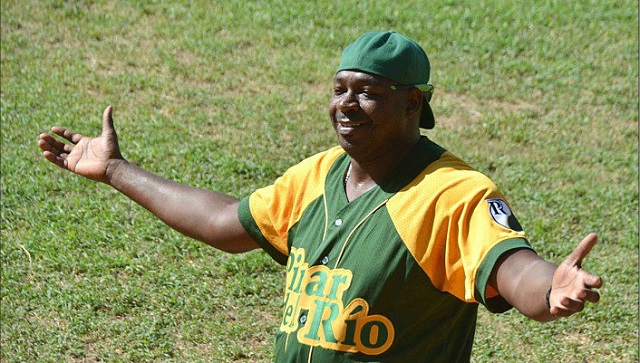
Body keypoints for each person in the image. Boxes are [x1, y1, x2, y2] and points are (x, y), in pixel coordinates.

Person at [38, 31, 603, 362]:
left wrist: (546, 288)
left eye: (369, 94)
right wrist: (116, 171)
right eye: (339, 90)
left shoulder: (453, 194)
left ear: (413, 105)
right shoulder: (319, 176)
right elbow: (223, 223)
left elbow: (512, 267)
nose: (346, 105)